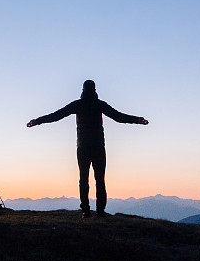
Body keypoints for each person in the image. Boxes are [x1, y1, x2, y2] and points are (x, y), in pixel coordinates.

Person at [27, 80, 148, 217]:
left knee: (83, 179)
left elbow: (56, 116)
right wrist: (137, 120)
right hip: (98, 147)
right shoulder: (100, 104)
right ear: (95, 89)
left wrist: (37, 121)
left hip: (83, 147)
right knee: (100, 180)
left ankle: (85, 211)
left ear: (83, 89)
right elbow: (118, 117)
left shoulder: (78, 104)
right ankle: (100, 211)